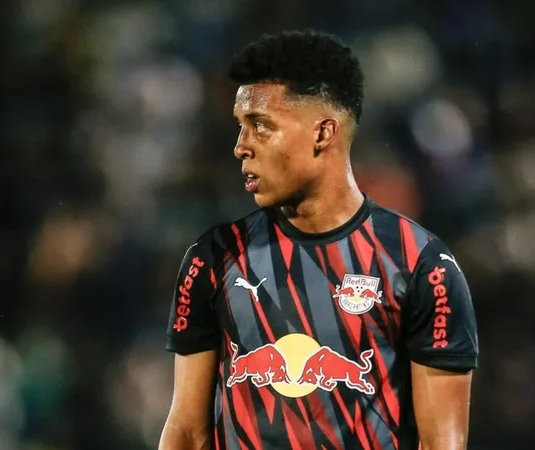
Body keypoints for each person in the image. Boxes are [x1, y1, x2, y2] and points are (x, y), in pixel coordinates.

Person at [159, 29, 478, 450]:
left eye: (260, 126)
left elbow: (443, 442)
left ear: (323, 133)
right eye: (240, 126)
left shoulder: (420, 264)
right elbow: (186, 430)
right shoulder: (214, 257)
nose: (241, 147)